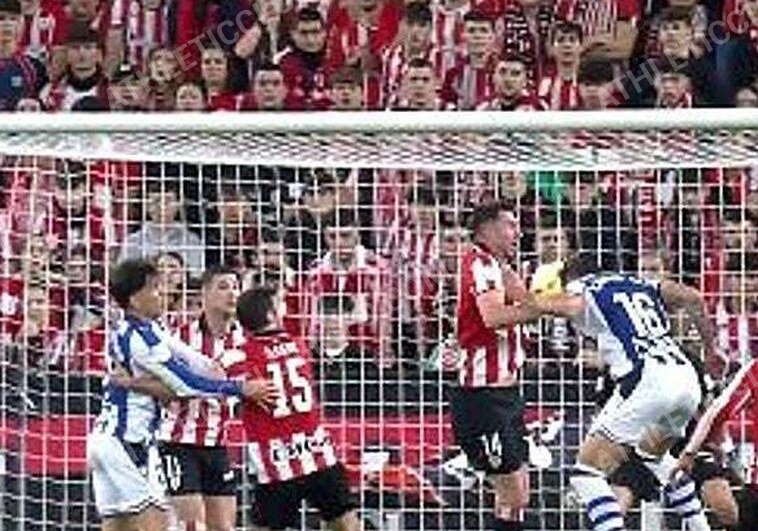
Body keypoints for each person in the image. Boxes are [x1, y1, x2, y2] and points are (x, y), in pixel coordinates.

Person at [532, 255, 719, 531]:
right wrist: (711, 350)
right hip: (686, 386)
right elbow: (692, 297)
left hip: (651, 385)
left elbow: (570, 305)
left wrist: (527, 301)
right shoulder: (640, 284)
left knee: (587, 474)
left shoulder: (582, 288)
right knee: (654, 456)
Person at [86, 259, 266, 531]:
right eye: (154, 288)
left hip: (111, 438)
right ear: (134, 299)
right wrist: (238, 388)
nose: (162, 294)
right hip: (128, 441)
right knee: (159, 525)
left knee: (118, 526)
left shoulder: (145, 330)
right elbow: (184, 385)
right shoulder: (143, 339)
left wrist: (210, 367)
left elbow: (188, 357)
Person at [226, 286, 360, 531]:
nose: (285, 308)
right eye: (279, 304)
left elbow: (219, 382)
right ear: (270, 314)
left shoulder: (239, 356)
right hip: (317, 450)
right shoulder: (299, 345)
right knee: (345, 521)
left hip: (276, 461)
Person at [451, 200, 541, 531]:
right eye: (511, 225)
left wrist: (539, 301)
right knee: (513, 494)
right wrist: (542, 308)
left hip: (507, 396)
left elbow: (527, 303)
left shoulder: (501, 268)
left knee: (517, 497)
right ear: (487, 229)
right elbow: (493, 316)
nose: (518, 233)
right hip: (481, 398)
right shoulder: (479, 262)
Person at [156, 266, 243, 531]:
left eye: (235, 287)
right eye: (223, 287)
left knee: (224, 527)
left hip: (217, 444)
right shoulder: (180, 339)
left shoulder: (244, 341)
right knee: (192, 525)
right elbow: (162, 387)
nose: (232, 294)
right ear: (204, 294)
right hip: (178, 442)